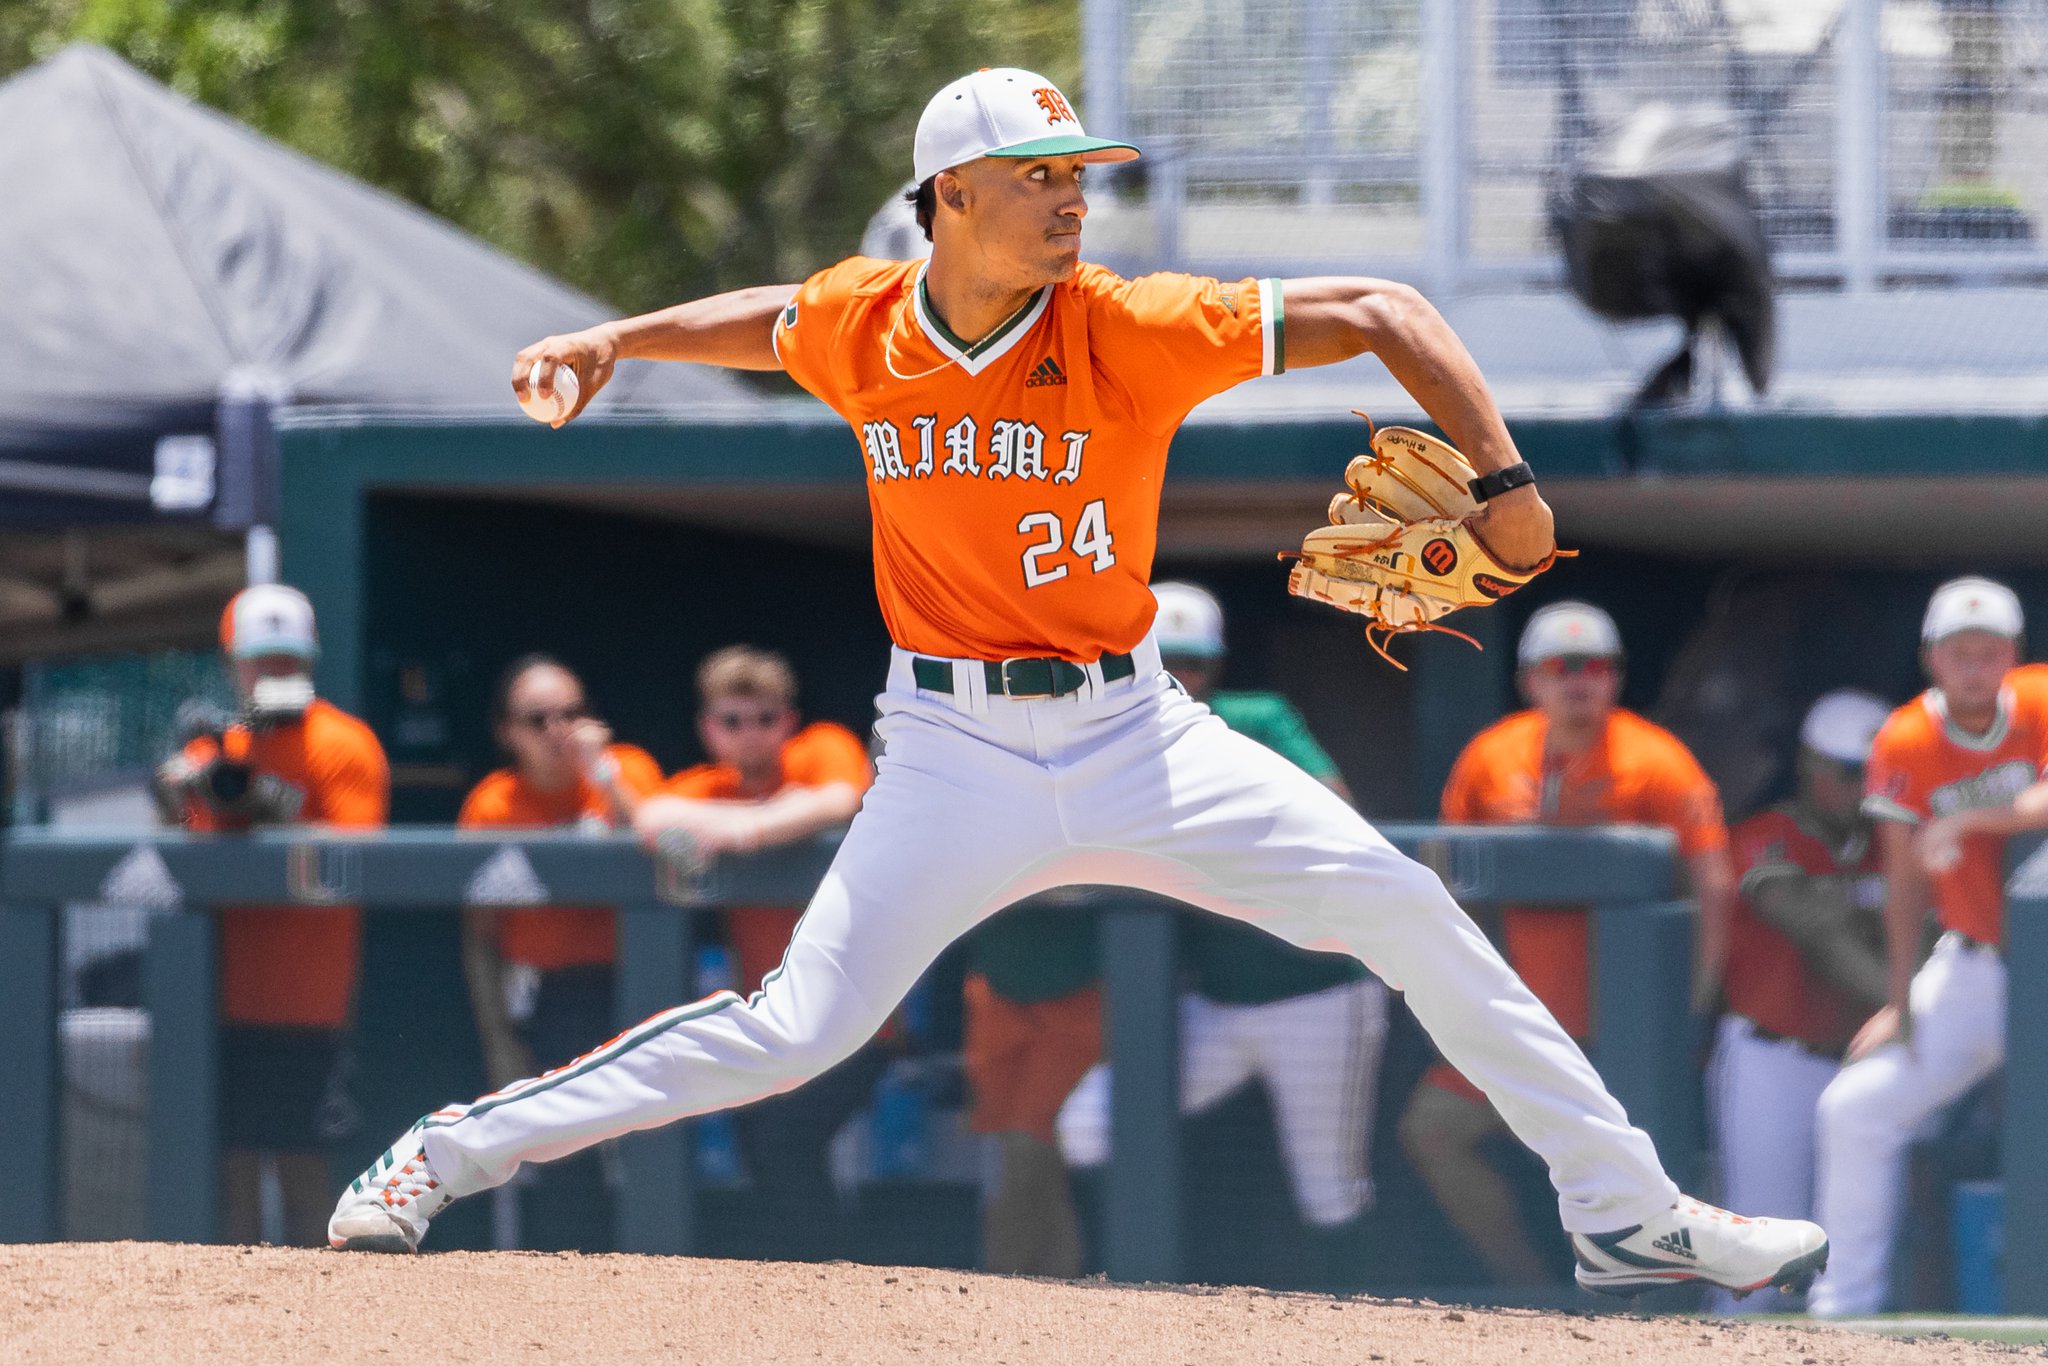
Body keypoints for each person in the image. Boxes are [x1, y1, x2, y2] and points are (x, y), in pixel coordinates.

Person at [330, 66, 1825, 1297]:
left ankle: (1622, 1206)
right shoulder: (866, 320)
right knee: (800, 1028)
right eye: (1040, 171)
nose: (1071, 193)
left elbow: (1383, 309)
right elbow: (769, 317)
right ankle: (446, 1151)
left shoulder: (1124, 325)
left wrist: (1503, 477)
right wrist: (614, 341)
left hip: (1134, 730)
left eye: (1078, 170)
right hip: (947, 752)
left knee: (1407, 907)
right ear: (952, 199)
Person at [1057, 582, 1390, 1284]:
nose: (1179, 679)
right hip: (1215, 1001)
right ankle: (1105, 1305)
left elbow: (1337, 808)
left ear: (1217, 668)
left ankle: (1372, 1338)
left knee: (1328, 1192)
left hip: (1315, 992)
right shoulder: (1107, 742)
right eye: (1162, 661)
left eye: (1194, 665)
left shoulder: (1255, 719)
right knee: (1086, 1127)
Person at [1399, 600, 1735, 1286]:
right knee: (1431, 1131)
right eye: (1562, 668)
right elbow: (1442, 879)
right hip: (1522, 1022)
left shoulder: (1656, 760)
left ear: (1616, 678)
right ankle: (1535, 1290)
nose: (1580, 682)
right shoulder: (1493, 758)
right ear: (1531, 680)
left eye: (1597, 668)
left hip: (1624, 1029)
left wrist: (1692, 1007)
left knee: (1651, 1178)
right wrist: (1450, 1001)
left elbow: (1715, 886)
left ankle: (1647, 1315)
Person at [1810, 578, 2048, 1317]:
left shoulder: (2040, 697)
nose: (1975, 666)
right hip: (1978, 965)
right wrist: (1900, 998)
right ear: (1931, 659)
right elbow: (1902, 877)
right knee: (1855, 1109)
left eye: (1989, 652)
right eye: (1959, 652)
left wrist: (1974, 822)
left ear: (2012, 654)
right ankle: (1842, 1312)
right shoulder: (1907, 737)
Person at [156, 583, 389, 1246]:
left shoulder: (346, 744)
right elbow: (180, 843)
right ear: (235, 663)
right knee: (231, 1176)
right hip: (220, 998)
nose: (276, 673)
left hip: (311, 1001)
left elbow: (353, 862)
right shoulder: (217, 752)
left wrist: (270, 802)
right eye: (263, 660)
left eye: (289, 659)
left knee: (306, 1173)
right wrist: (183, 791)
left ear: (310, 660)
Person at [635, 645, 878, 1258]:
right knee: (763, 1148)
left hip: (863, 1018)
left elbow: (838, 799)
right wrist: (731, 819)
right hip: (769, 1017)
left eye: (764, 719)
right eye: (732, 721)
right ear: (707, 729)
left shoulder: (820, 748)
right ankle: (798, 1288)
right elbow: (653, 814)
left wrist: (739, 831)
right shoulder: (709, 786)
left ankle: (844, 1281)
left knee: (785, 1145)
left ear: (788, 722)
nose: (750, 735)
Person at [457, 655, 665, 1250]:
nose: (558, 730)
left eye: (572, 714)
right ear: (507, 733)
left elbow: (662, 844)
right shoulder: (493, 804)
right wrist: (497, 1036)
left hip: (639, 987)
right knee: (559, 1153)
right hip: (545, 992)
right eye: (538, 718)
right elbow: (481, 938)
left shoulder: (625, 771)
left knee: (641, 1147)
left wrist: (600, 772)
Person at [1707, 689, 1892, 1314]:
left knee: (1858, 1256)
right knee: (1760, 1254)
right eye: (1849, 772)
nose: (1864, 787)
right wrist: (1915, 1011)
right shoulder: (1765, 839)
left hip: (1865, 1064)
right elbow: (1819, 935)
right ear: (1811, 769)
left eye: (1875, 772)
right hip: (1773, 1058)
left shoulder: (1895, 842)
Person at [962, 893, 1100, 1276]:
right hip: (998, 989)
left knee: (1031, 1147)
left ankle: (996, 1288)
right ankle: (1059, 1298)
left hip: (1079, 996)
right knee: (1025, 1161)